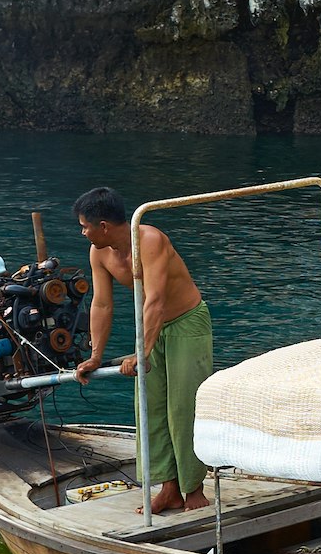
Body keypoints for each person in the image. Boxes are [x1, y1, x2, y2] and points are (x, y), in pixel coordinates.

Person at [70, 187, 213, 513]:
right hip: (152, 329)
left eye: (85, 225)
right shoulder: (100, 253)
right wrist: (95, 355)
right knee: (149, 408)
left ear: (103, 225)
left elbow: (156, 300)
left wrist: (141, 352)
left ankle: (194, 489)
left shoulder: (149, 240)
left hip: (186, 323)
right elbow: (102, 304)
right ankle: (169, 489)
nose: (83, 232)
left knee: (183, 407)